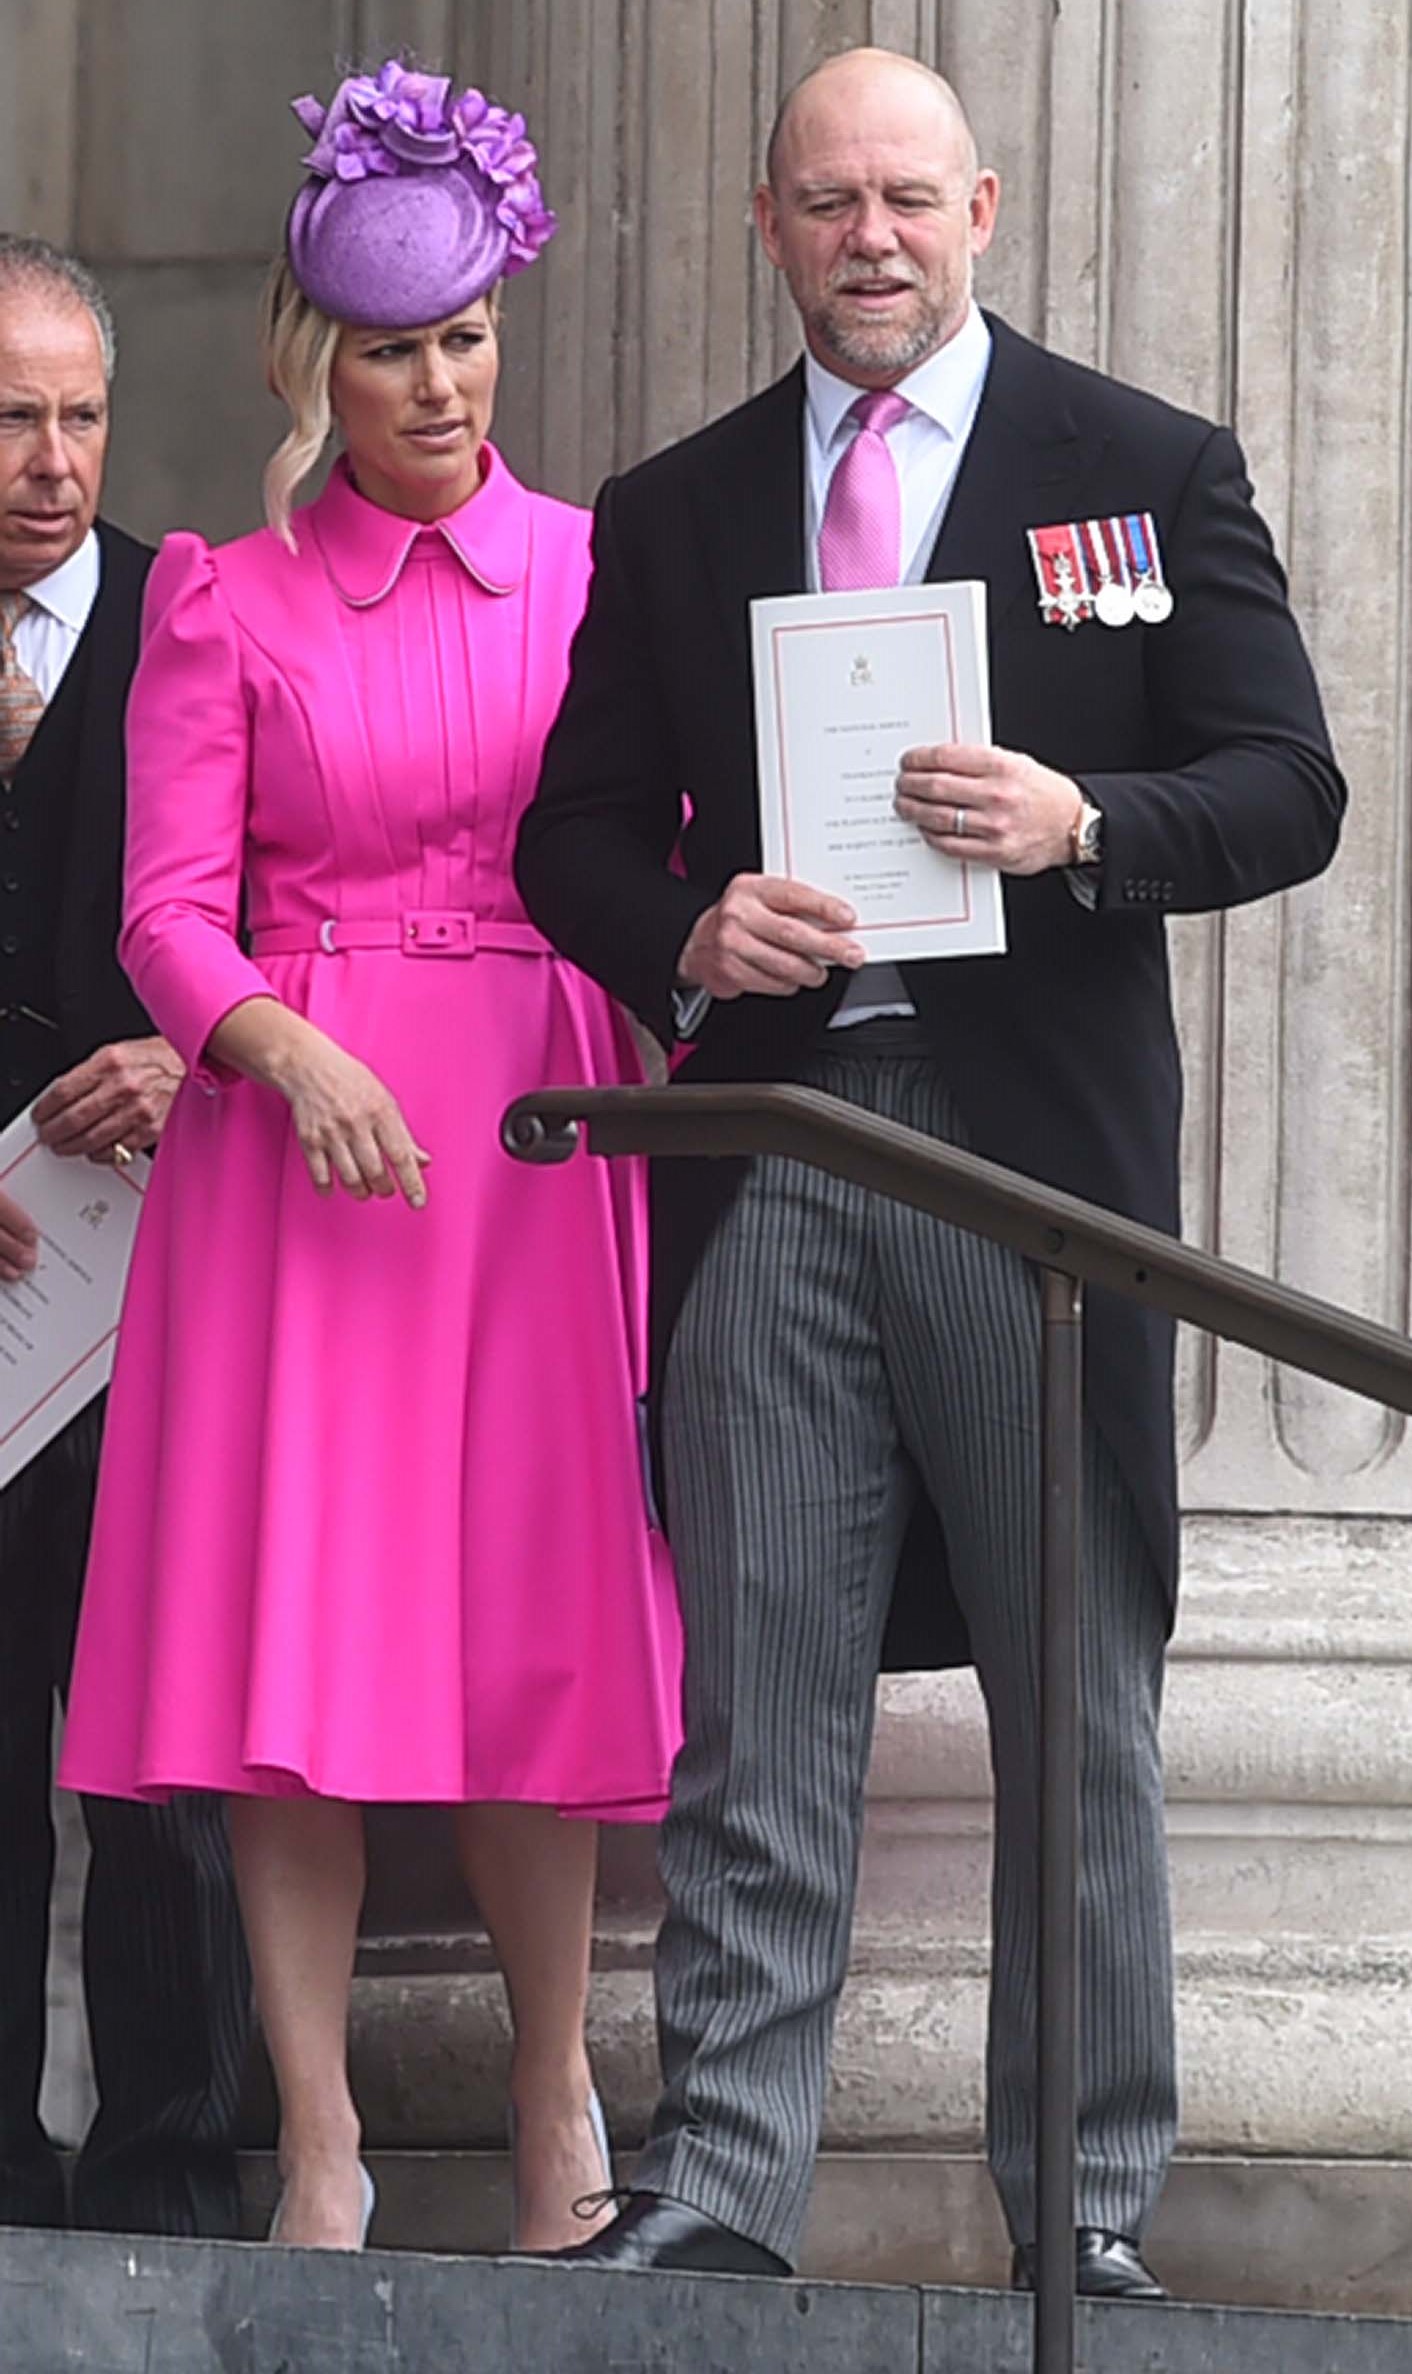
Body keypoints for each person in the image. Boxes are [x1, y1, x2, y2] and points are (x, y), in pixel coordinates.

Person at [514, 48, 1346, 2291]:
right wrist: (682, 928)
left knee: (1074, 1694)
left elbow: (1289, 784)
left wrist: (1087, 829)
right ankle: (714, 2189)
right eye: (824, 201)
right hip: (772, 1146)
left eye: (904, 196)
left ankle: (1081, 2214)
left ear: (979, 207)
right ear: (768, 224)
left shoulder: (1143, 467)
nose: (866, 236)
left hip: (1030, 1183)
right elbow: (570, 830)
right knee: (757, 1692)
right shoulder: (673, 503)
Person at [58, 61, 680, 2253]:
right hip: (293, 1149)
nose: (439, 380)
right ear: (323, 362)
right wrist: (267, 1044)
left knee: (527, 1627)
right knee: (294, 1648)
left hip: (523, 1133)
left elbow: (655, 852)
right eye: (396, 348)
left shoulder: (604, 575)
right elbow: (159, 898)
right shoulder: (224, 595)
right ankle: (317, 2133)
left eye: (467, 334)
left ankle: (547, 2109)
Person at [0, 234, 251, 2237]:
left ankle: (174, 2160)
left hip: (157, 1267)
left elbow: (287, 893)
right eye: (10, 416)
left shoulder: (196, 610)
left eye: (81, 414)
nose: (52, 459)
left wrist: (199, 1066)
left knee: (159, 1729)